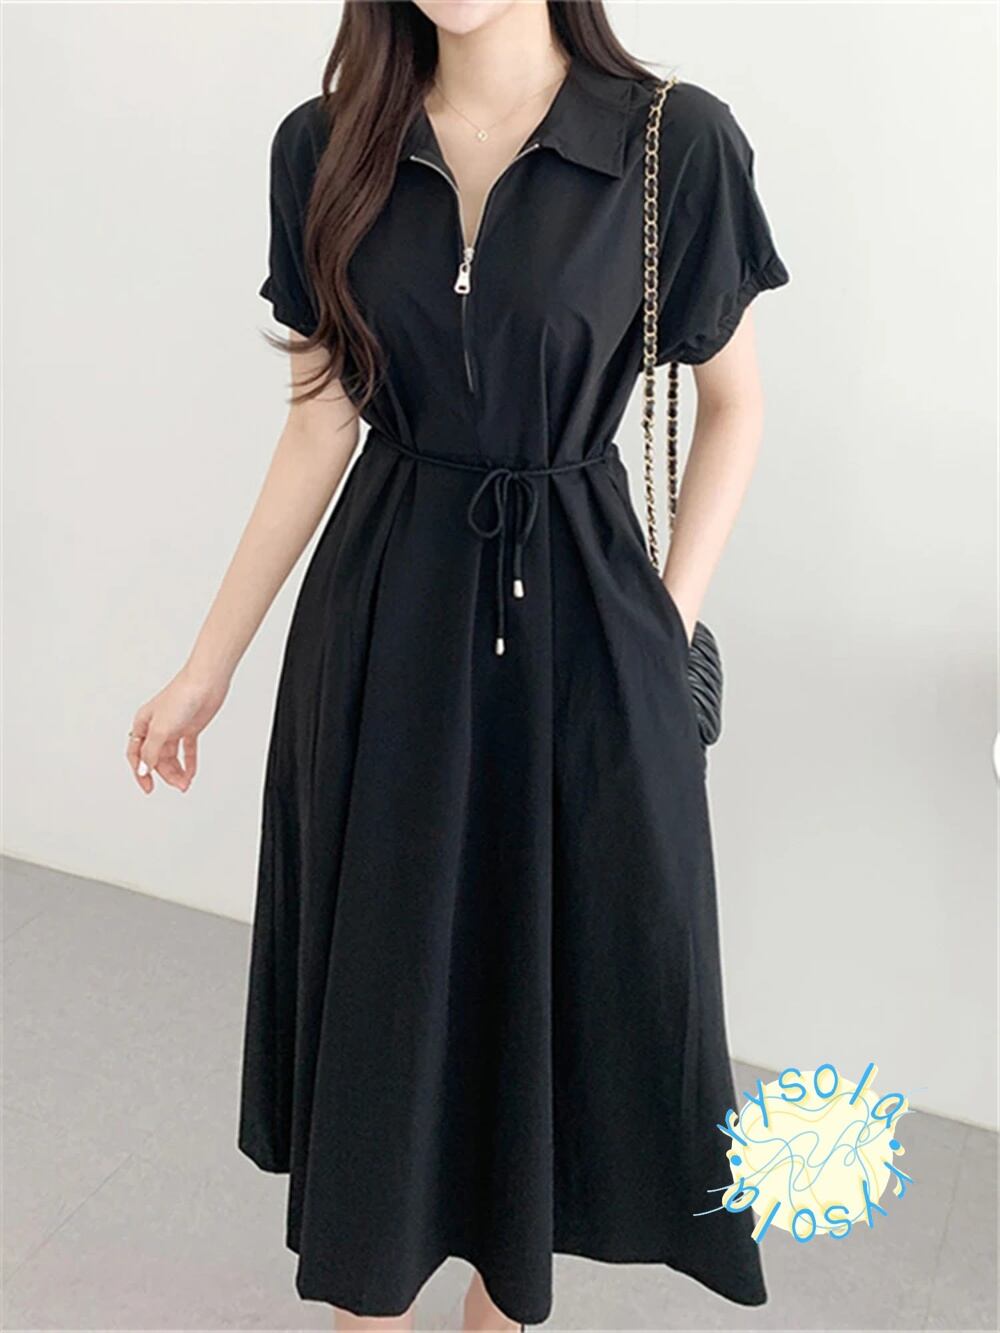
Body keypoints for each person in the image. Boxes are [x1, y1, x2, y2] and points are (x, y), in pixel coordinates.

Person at [125, 1, 790, 1328]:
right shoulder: (328, 145)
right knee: (390, 1011)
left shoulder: (674, 143)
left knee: (545, 1000)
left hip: (586, 642)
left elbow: (735, 404)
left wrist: (663, 630)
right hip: (386, 633)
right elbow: (321, 419)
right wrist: (209, 662)